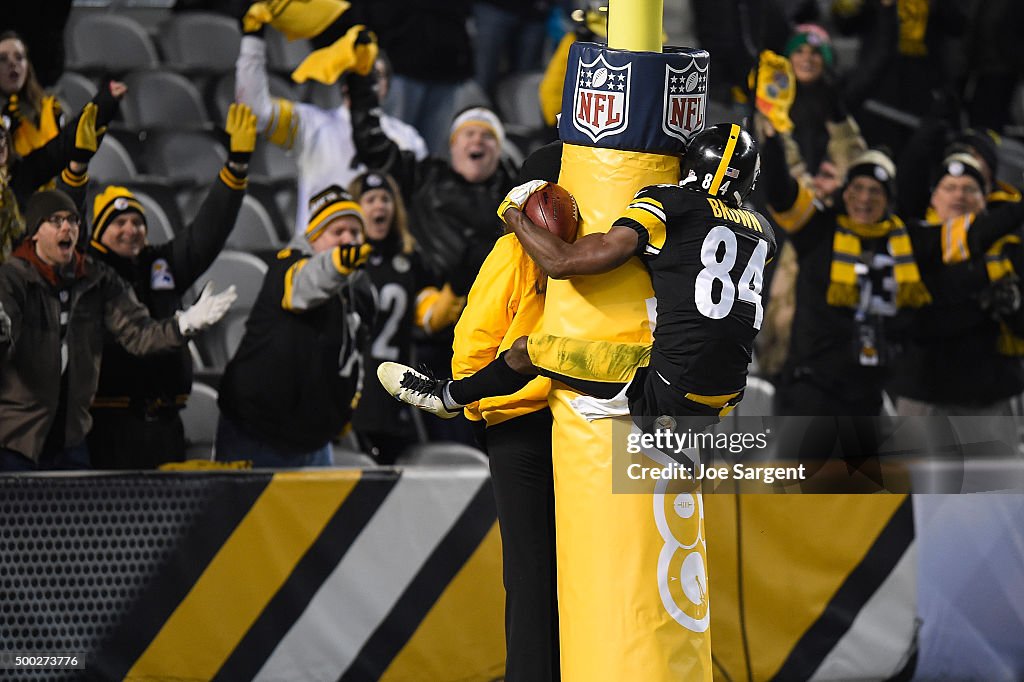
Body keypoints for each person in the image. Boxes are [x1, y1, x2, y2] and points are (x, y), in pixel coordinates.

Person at [380, 124, 776, 434]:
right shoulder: (764, 231)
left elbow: (562, 263)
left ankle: (446, 397)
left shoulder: (669, 202)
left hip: (664, 393)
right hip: (727, 396)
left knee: (528, 349)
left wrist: (513, 212)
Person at [0, 190, 237, 471]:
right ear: (35, 232)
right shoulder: (11, 279)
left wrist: (183, 325)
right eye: (55, 220)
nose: (67, 227)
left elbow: (138, 333)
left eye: (73, 220)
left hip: (72, 442)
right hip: (16, 442)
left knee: (82, 515)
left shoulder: (98, 278)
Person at [86, 103, 257, 469]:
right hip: (109, 429)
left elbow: (205, 235)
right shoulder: (88, 271)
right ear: (98, 234)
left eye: (137, 222)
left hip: (165, 428)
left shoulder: (158, 263)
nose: (131, 229)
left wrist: (236, 168)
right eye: (119, 223)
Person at [758, 114, 931, 416]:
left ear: (888, 199)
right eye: (857, 188)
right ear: (845, 191)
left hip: (868, 393)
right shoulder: (819, 229)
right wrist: (773, 144)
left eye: (875, 190)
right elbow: (781, 194)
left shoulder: (903, 244)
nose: (864, 198)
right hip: (810, 391)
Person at [215, 185, 375, 467]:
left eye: (355, 232)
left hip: (313, 437)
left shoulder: (358, 290)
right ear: (314, 238)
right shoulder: (286, 266)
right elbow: (302, 290)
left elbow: (355, 353)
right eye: (337, 232)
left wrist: (345, 408)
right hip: (257, 430)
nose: (348, 239)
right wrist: (336, 266)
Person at [234, 18, 426, 233]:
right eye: (364, 74)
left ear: (387, 84)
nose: (371, 82)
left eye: (378, 75)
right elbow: (254, 111)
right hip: (318, 256)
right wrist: (253, 40)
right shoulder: (310, 123)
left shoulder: (408, 138)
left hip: (380, 257)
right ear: (345, 84)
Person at [890, 153, 1024, 416]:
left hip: (990, 396)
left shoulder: (1009, 248)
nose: (958, 196)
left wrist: (1012, 306)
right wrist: (981, 293)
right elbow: (919, 318)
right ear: (934, 197)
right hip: (924, 393)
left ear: (984, 199)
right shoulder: (909, 241)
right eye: (949, 188)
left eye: (969, 189)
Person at [347, 170, 432, 463]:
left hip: (393, 384)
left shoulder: (411, 258)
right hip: (355, 385)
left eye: (385, 199)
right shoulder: (343, 260)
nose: (379, 206)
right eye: (369, 199)